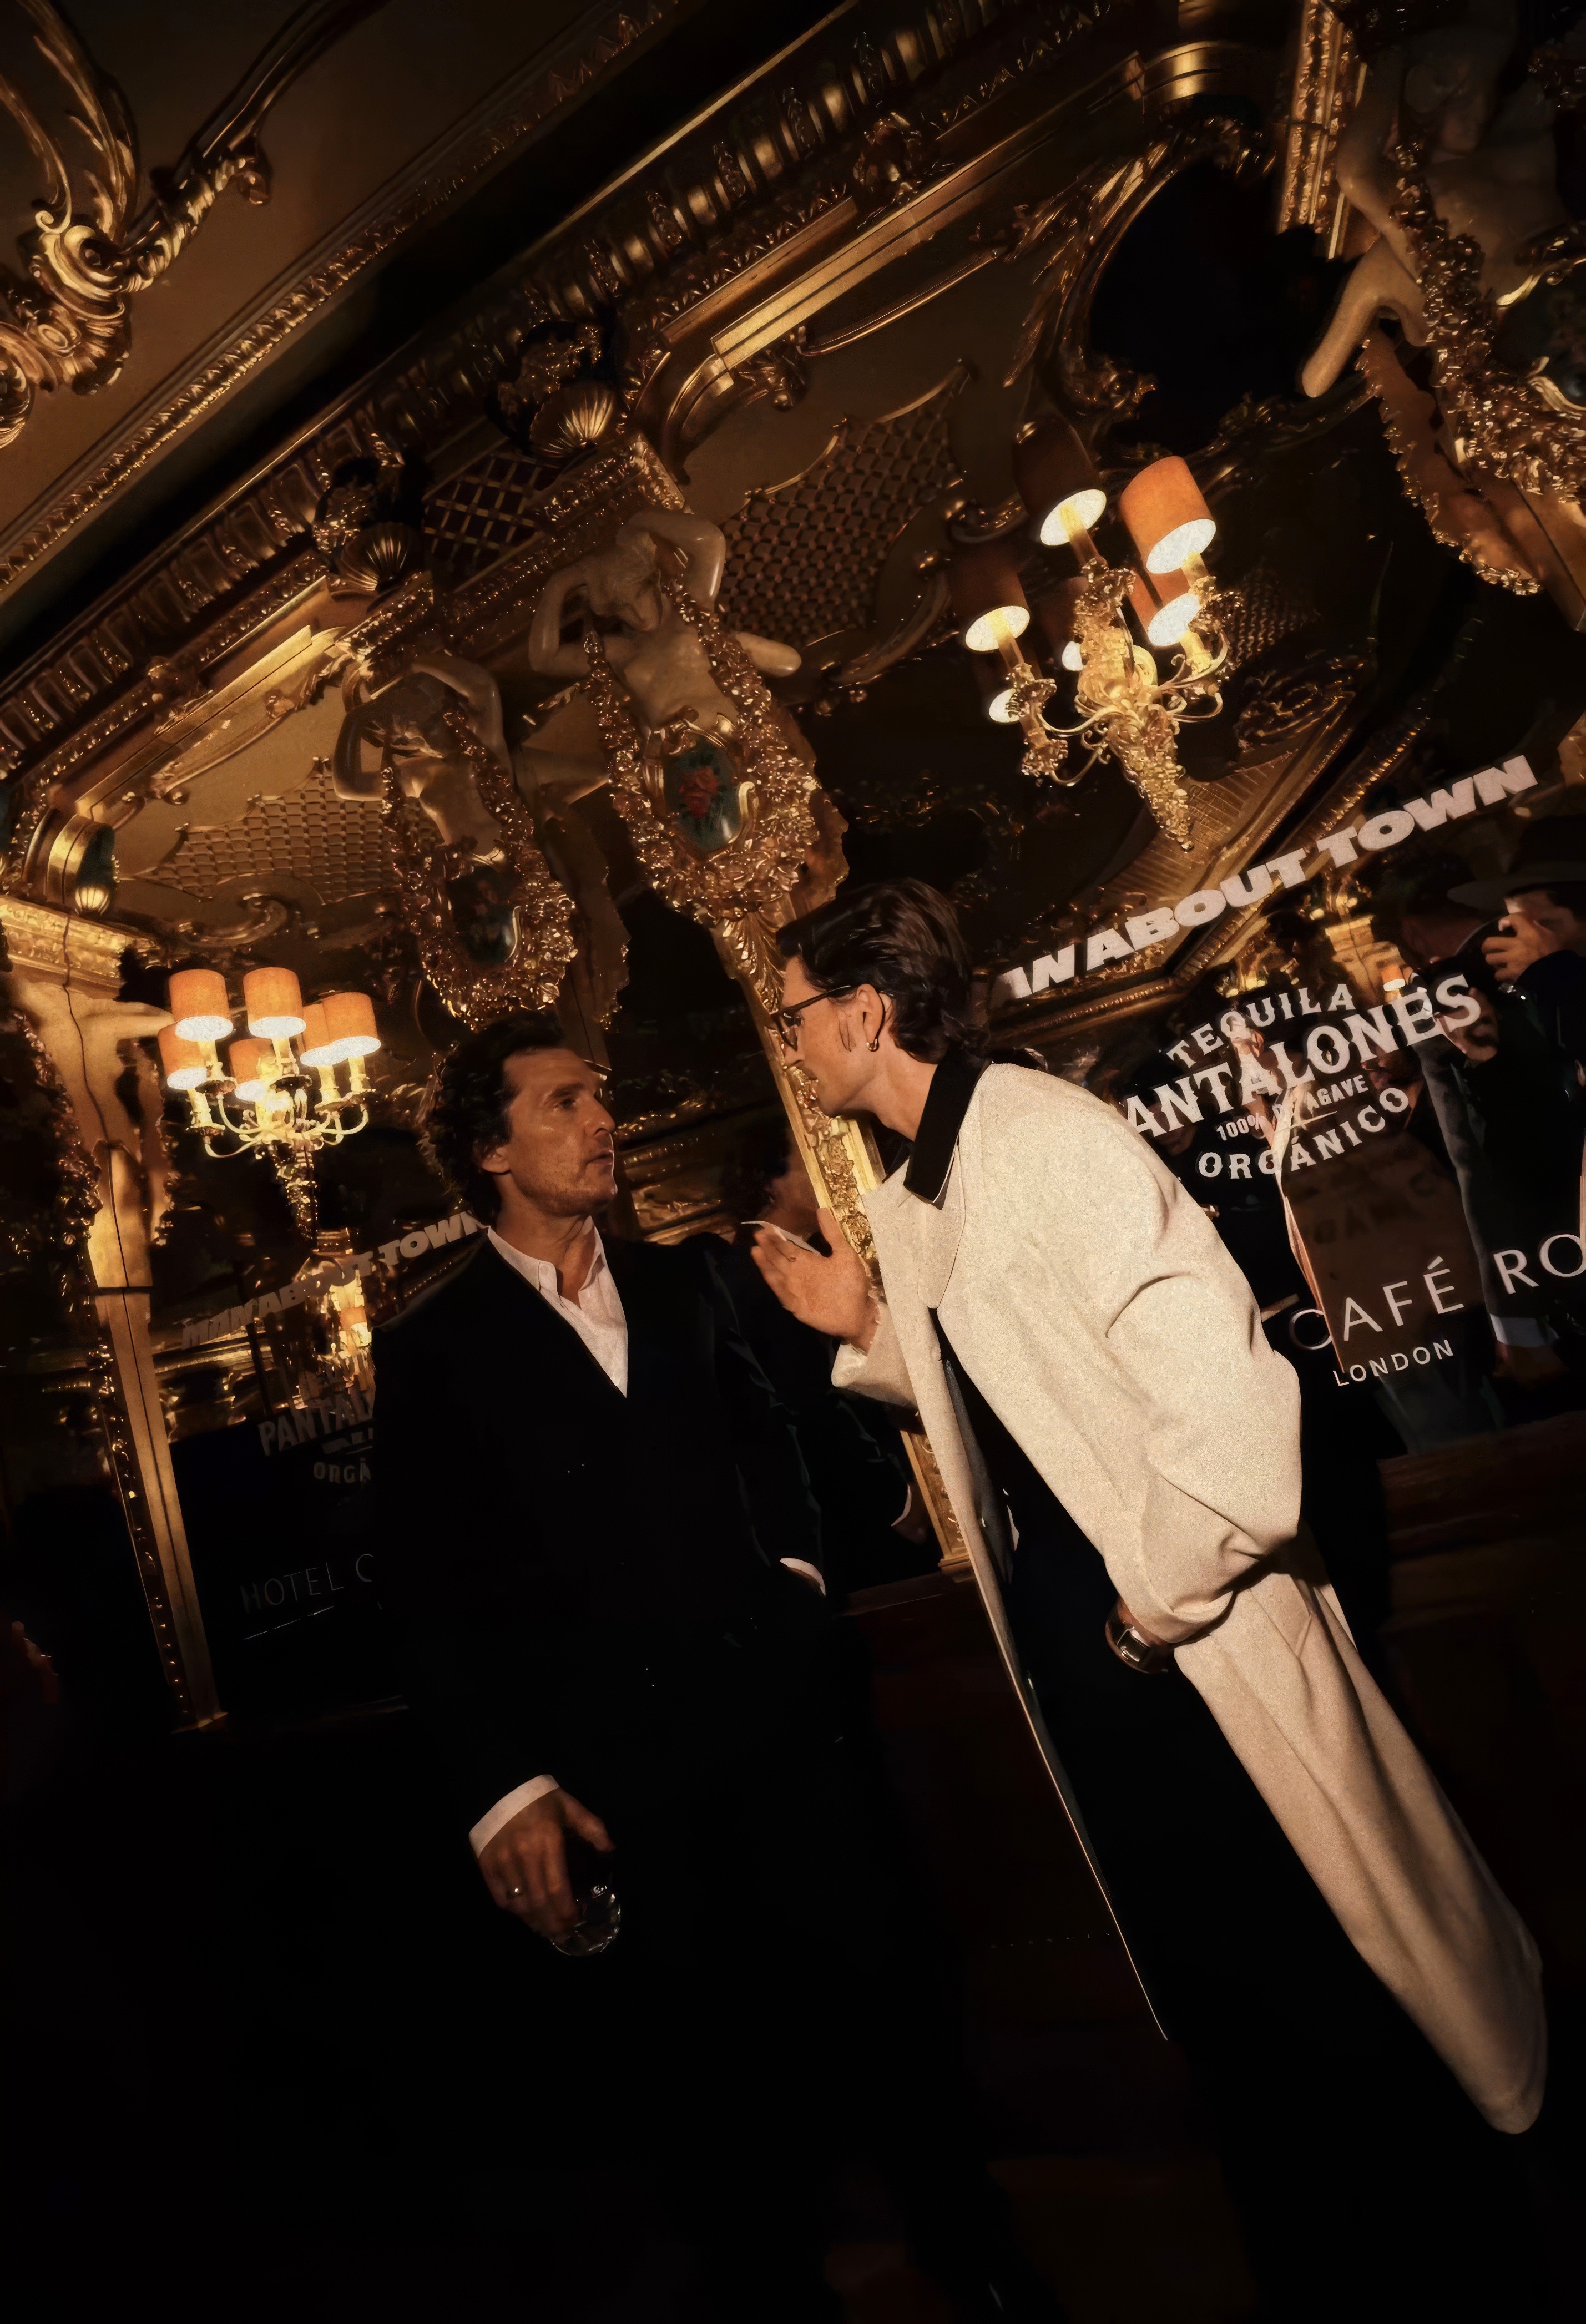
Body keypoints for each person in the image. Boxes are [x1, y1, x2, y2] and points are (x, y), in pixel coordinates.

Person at [751, 879, 1547, 2319]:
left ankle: (1438, 2264)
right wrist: (869, 1331)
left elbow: (1239, 1417)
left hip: (1183, 1640)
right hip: (1113, 1661)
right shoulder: (920, 1187)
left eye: (797, 1011)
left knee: (1324, 1988)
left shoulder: (1044, 1134)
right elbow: (1018, 1397)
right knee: (1237, 2013)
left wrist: (1144, 1611)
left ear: (868, 1009)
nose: (791, 1041)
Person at [372, 1014, 1064, 2324]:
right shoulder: (431, 1346)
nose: (602, 1121)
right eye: (566, 1102)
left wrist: (798, 1588)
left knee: (886, 2005)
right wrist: (501, 1783)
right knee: (704, 2067)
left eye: (602, 1096)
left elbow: (776, 1457)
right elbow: (428, 1591)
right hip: (620, 1769)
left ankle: (974, 2256)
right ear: (489, 1149)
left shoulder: (691, 1282)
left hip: (786, 1719)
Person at [713, 1121, 933, 1598]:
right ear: (769, 1180)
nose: (823, 1168)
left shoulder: (790, 1254)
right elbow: (810, 1404)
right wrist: (898, 1502)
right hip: (865, 1520)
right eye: (805, 1158)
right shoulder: (763, 1267)